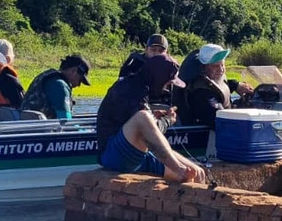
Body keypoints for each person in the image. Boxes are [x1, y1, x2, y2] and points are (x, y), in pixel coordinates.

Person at [95, 53, 207, 184]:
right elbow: (143, 123)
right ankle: (178, 169)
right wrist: (167, 120)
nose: (167, 88)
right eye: (167, 83)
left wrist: (154, 118)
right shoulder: (128, 88)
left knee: (197, 172)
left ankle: (186, 178)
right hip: (113, 154)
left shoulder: (143, 87)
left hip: (138, 154)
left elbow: (148, 132)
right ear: (159, 77)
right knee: (143, 117)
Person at [179, 44, 255, 129]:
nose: (221, 69)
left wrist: (236, 85)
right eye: (215, 66)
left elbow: (218, 87)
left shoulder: (212, 78)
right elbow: (219, 119)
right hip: (209, 134)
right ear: (203, 68)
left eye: (222, 65)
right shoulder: (201, 92)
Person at [20, 54, 92, 119]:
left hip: (27, 126)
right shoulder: (60, 86)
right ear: (74, 71)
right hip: (42, 128)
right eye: (80, 80)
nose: (79, 85)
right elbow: (65, 121)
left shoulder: (47, 77)